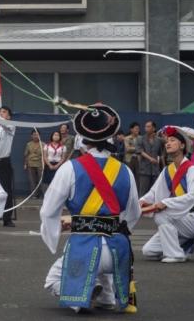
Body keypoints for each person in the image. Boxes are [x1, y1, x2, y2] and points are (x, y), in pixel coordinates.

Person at [41, 104, 140, 313]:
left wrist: (54, 234)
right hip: (118, 252)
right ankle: (105, 296)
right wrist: (118, 230)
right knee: (103, 269)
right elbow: (134, 213)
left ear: (82, 141)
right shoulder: (125, 170)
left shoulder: (70, 168)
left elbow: (48, 211)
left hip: (85, 247)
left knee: (53, 280)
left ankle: (81, 294)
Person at [139, 126, 194, 263]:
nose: (168, 143)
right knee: (148, 250)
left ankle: (175, 254)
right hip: (177, 218)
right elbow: (154, 192)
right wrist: (141, 202)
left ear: (182, 145)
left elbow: (192, 196)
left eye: (172, 140)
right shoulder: (167, 170)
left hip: (192, 218)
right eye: (167, 141)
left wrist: (165, 203)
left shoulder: (192, 169)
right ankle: (178, 248)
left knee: (161, 213)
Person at [138, 120, 164, 196]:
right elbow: (140, 151)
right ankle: (141, 207)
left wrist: (164, 165)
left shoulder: (158, 140)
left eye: (148, 126)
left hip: (155, 170)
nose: (146, 128)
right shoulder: (141, 139)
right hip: (144, 169)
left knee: (155, 191)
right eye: (145, 126)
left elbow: (161, 154)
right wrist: (150, 159)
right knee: (143, 191)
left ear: (153, 128)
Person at [23, 130, 44, 198]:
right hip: (30, 163)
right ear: (31, 136)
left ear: (39, 136)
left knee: (41, 179)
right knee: (32, 180)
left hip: (40, 163)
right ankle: (34, 195)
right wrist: (25, 164)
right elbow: (26, 154)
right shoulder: (28, 144)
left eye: (37, 135)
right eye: (34, 134)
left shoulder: (43, 144)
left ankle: (42, 194)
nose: (35, 136)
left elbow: (45, 155)